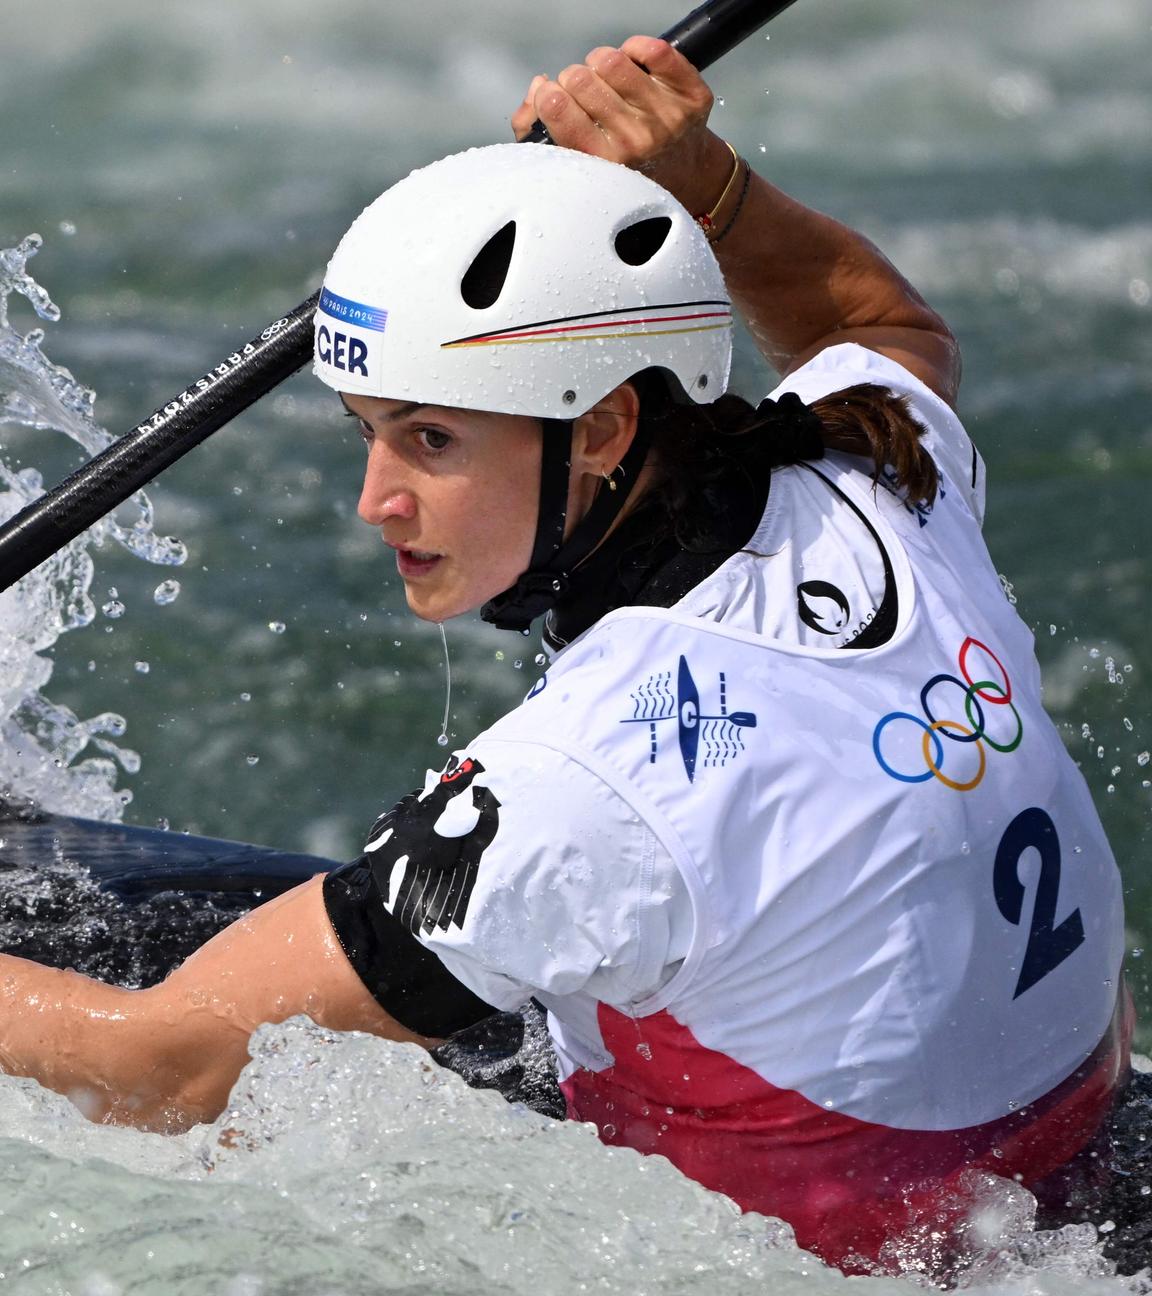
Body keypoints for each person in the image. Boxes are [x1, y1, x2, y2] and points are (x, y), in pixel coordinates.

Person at [0, 36, 1131, 1274]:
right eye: (367, 433)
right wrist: (711, 183)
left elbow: (166, 1072)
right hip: (1061, 1156)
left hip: (839, 1246)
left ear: (602, 427)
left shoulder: (583, 784)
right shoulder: (869, 476)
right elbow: (879, 322)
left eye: (430, 441)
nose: (375, 501)